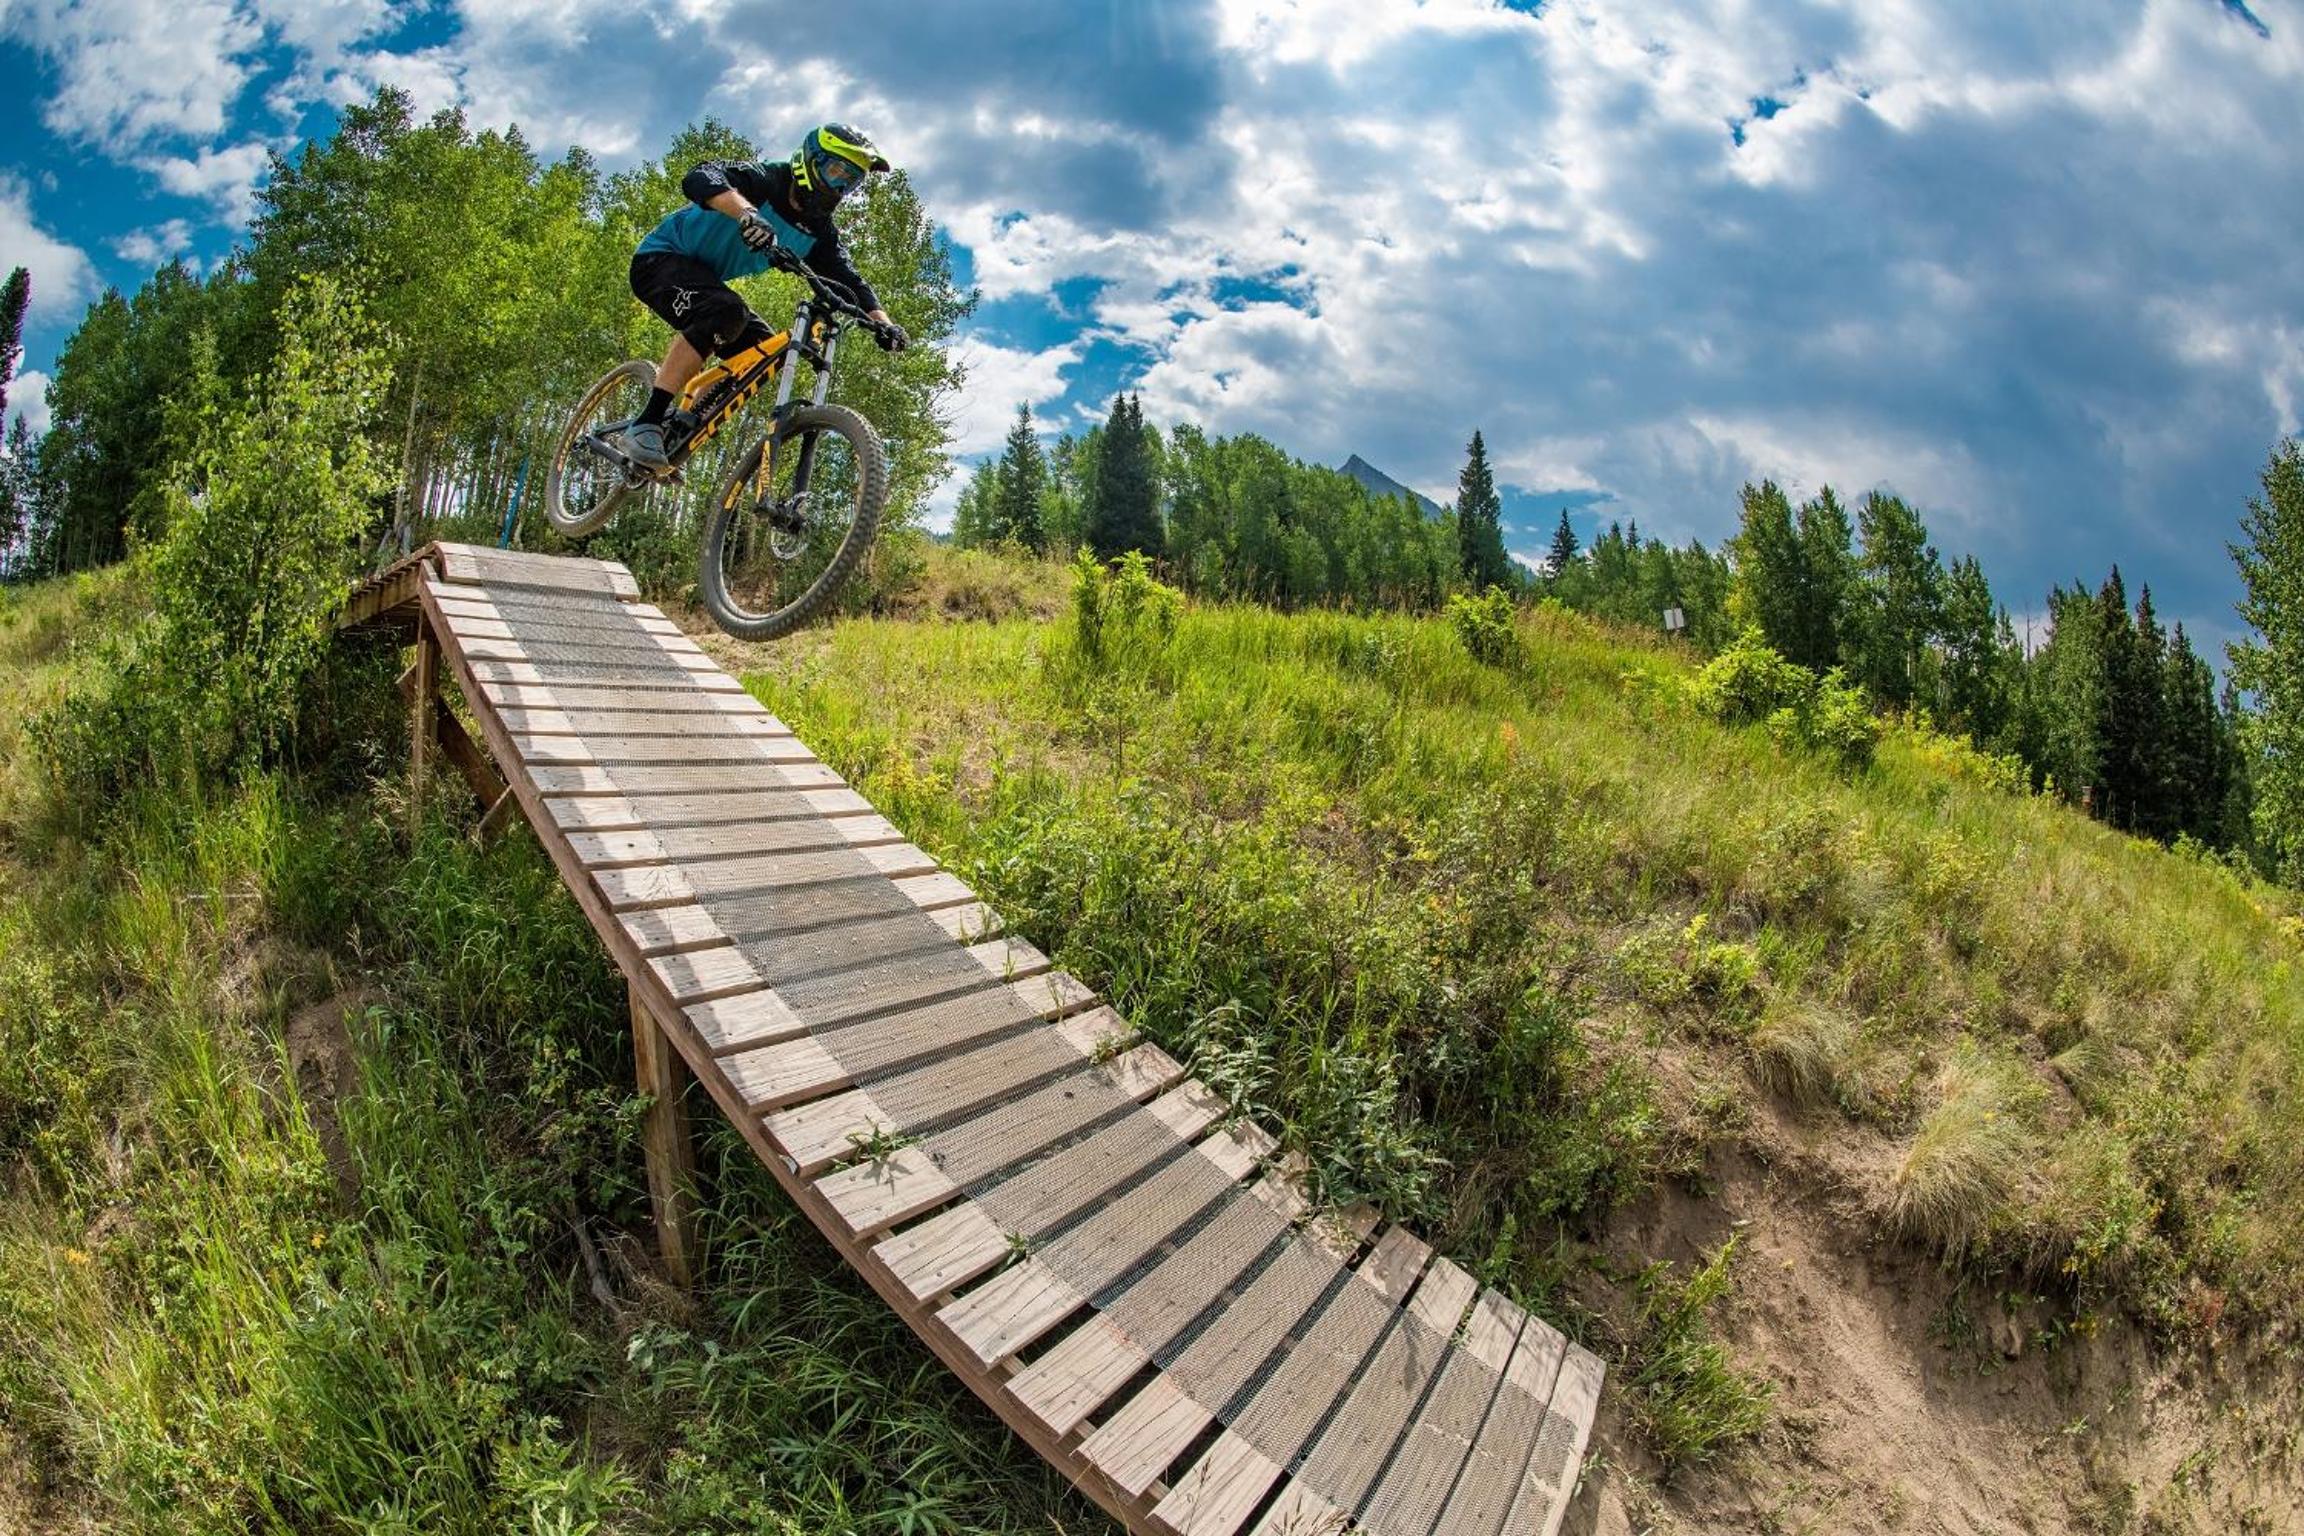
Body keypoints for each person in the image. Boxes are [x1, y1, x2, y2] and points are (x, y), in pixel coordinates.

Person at [616, 122, 908, 470]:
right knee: (725, 311)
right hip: (659, 259)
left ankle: (678, 428)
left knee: (764, 354)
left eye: (852, 181)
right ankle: (647, 421)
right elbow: (700, 176)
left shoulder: (820, 233)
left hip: (705, 279)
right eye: (836, 172)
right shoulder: (765, 180)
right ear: (810, 161)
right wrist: (747, 214)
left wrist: (884, 325)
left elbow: (850, 282)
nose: (841, 187)